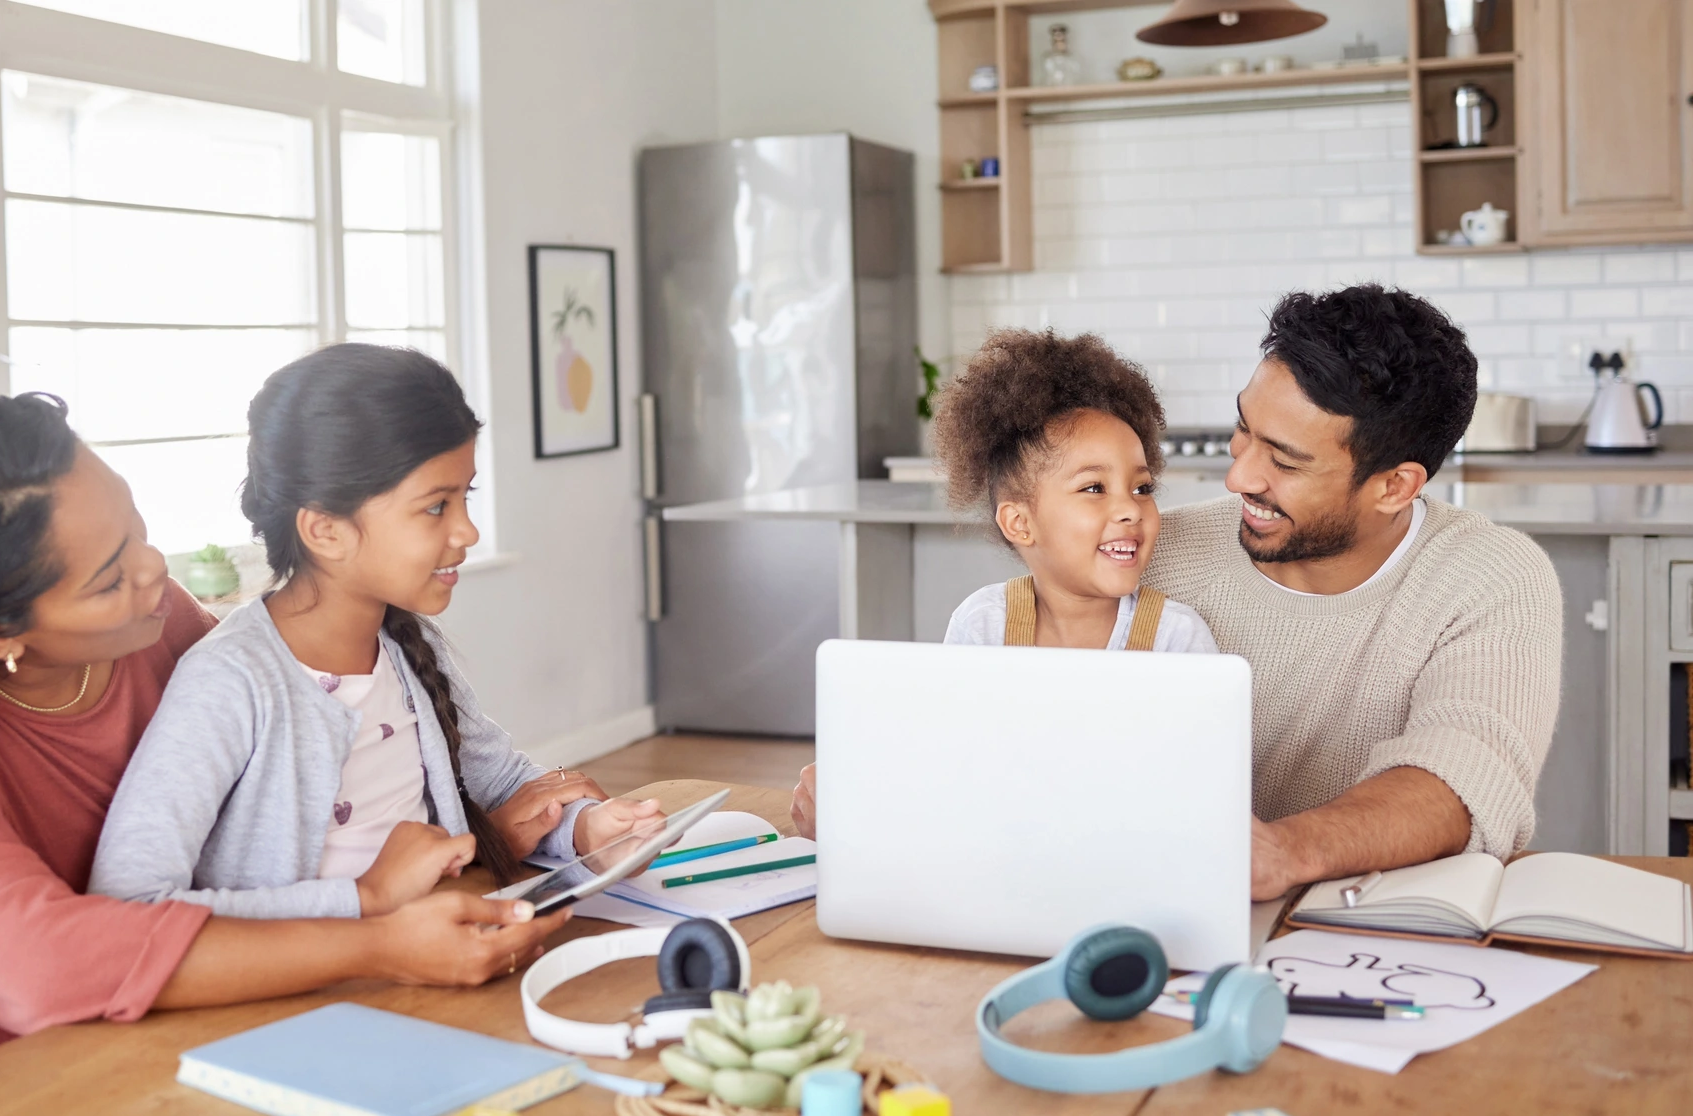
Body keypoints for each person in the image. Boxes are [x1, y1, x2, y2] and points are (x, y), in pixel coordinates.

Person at [0, 393, 574, 1114]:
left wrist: (486, 818)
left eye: (138, 530)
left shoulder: (164, 630)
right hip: (34, 1094)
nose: (154, 570)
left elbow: (320, 753)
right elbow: (46, 971)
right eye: (107, 577)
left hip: (204, 1043)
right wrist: (373, 924)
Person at [791, 286, 1560, 905]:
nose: (1238, 478)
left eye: (1283, 460)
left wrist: (1284, 851)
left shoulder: (1492, 577)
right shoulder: (1143, 554)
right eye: (1242, 433)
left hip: (1387, 926)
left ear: (1396, 484)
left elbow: (1463, 778)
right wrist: (873, 797)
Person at [89, 345, 663, 918]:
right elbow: (128, 900)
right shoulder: (230, 680)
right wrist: (362, 902)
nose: (467, 530)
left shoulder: (409, 647)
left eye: (466, 496)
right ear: (327, 531)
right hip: (313, 996)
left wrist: (591, 833)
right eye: (437, 506)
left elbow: (504, 782)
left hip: (434, 963)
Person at [930, 328, 1217, 654]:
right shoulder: (982, 625)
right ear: (1019, 523)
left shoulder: (1177, 638)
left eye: (1141, 488)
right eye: (1095, 488)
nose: (1132, 509)